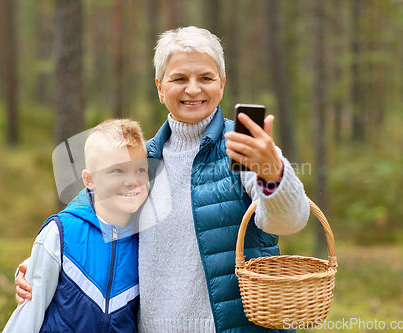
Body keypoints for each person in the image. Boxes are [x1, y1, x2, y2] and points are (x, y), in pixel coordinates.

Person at [16, 26, 310, 333]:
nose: (193, 89)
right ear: (159, 87)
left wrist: (272, 172)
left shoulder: (245, 148)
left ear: (222, 85)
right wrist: (45, 261)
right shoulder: (143, 159)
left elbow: (289, 221)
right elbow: (86, 221)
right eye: (180, 78)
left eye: (206, 78)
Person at [3, 119, 149, 333]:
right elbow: (28, 316)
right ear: (89, 180)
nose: (133, 181)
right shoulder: (61, 233)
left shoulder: (147, 237)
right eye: (118, 171)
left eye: (141, 170)